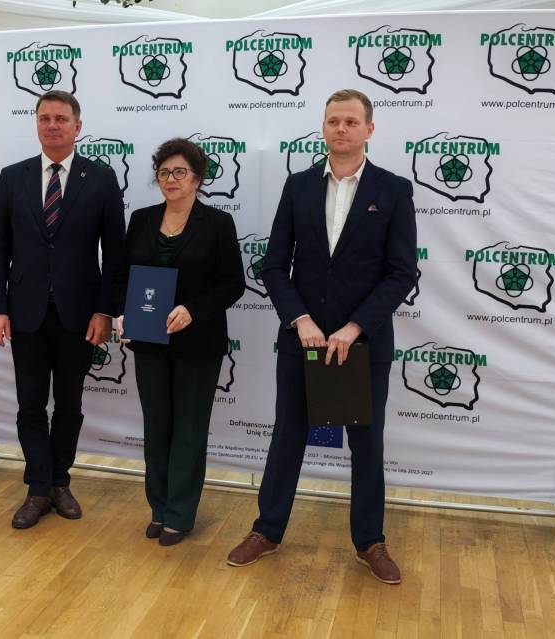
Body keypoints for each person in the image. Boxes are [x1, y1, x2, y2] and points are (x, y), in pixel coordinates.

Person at [225, 89, 417, 583]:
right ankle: (266, 530)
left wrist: (355, 327)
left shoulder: (394, 190)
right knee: (287, 435)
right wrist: (300, 319)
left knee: (366, 444)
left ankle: (370, 541)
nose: (341, 128)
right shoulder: (298, 186)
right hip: (302, 340)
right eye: (333, 120)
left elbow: (402, 272)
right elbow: (273, 265)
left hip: (363, 343)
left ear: (369, 129)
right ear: (323, 127)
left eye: (351, 121)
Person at [0, 90, 126, 529]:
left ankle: (60, 481)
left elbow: (115, 254)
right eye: (44, 118)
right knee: (29, 405)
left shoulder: (100, 178)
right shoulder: (14, 177)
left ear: (77, 127)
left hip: (79, 316)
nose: (52, 125)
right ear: (36, 124)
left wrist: (105, 311)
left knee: (69, 404)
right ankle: (37, 487)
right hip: (25, 313)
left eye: (61, 118)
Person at [116, 139, 244, 546]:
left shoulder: (218, 223)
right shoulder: (141, 220)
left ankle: (180, 514)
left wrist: (193, 310)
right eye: (164, 172)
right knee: (156, 427)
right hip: (148, 342)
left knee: (188, 429)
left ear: (197, 178)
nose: (170, 179)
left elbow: (233, 284)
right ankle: (158, 507)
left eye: (179, 172)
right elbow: (123, 276)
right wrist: (122, 314)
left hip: (198, 343)